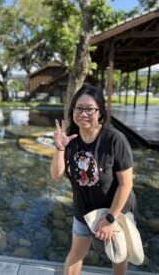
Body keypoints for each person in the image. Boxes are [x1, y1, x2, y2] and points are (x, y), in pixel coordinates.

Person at [50, 85, 137, 275]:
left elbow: (126, 183)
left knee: (118, 253)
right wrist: (59, 149)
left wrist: (110, 219)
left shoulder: (115, 139)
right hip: (84, 210)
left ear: (100, 112)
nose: (83, 113)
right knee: (76, 253)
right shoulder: (70, 139)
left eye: (90, 108)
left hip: (115, 211)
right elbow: (56, 175)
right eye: (78, 108)